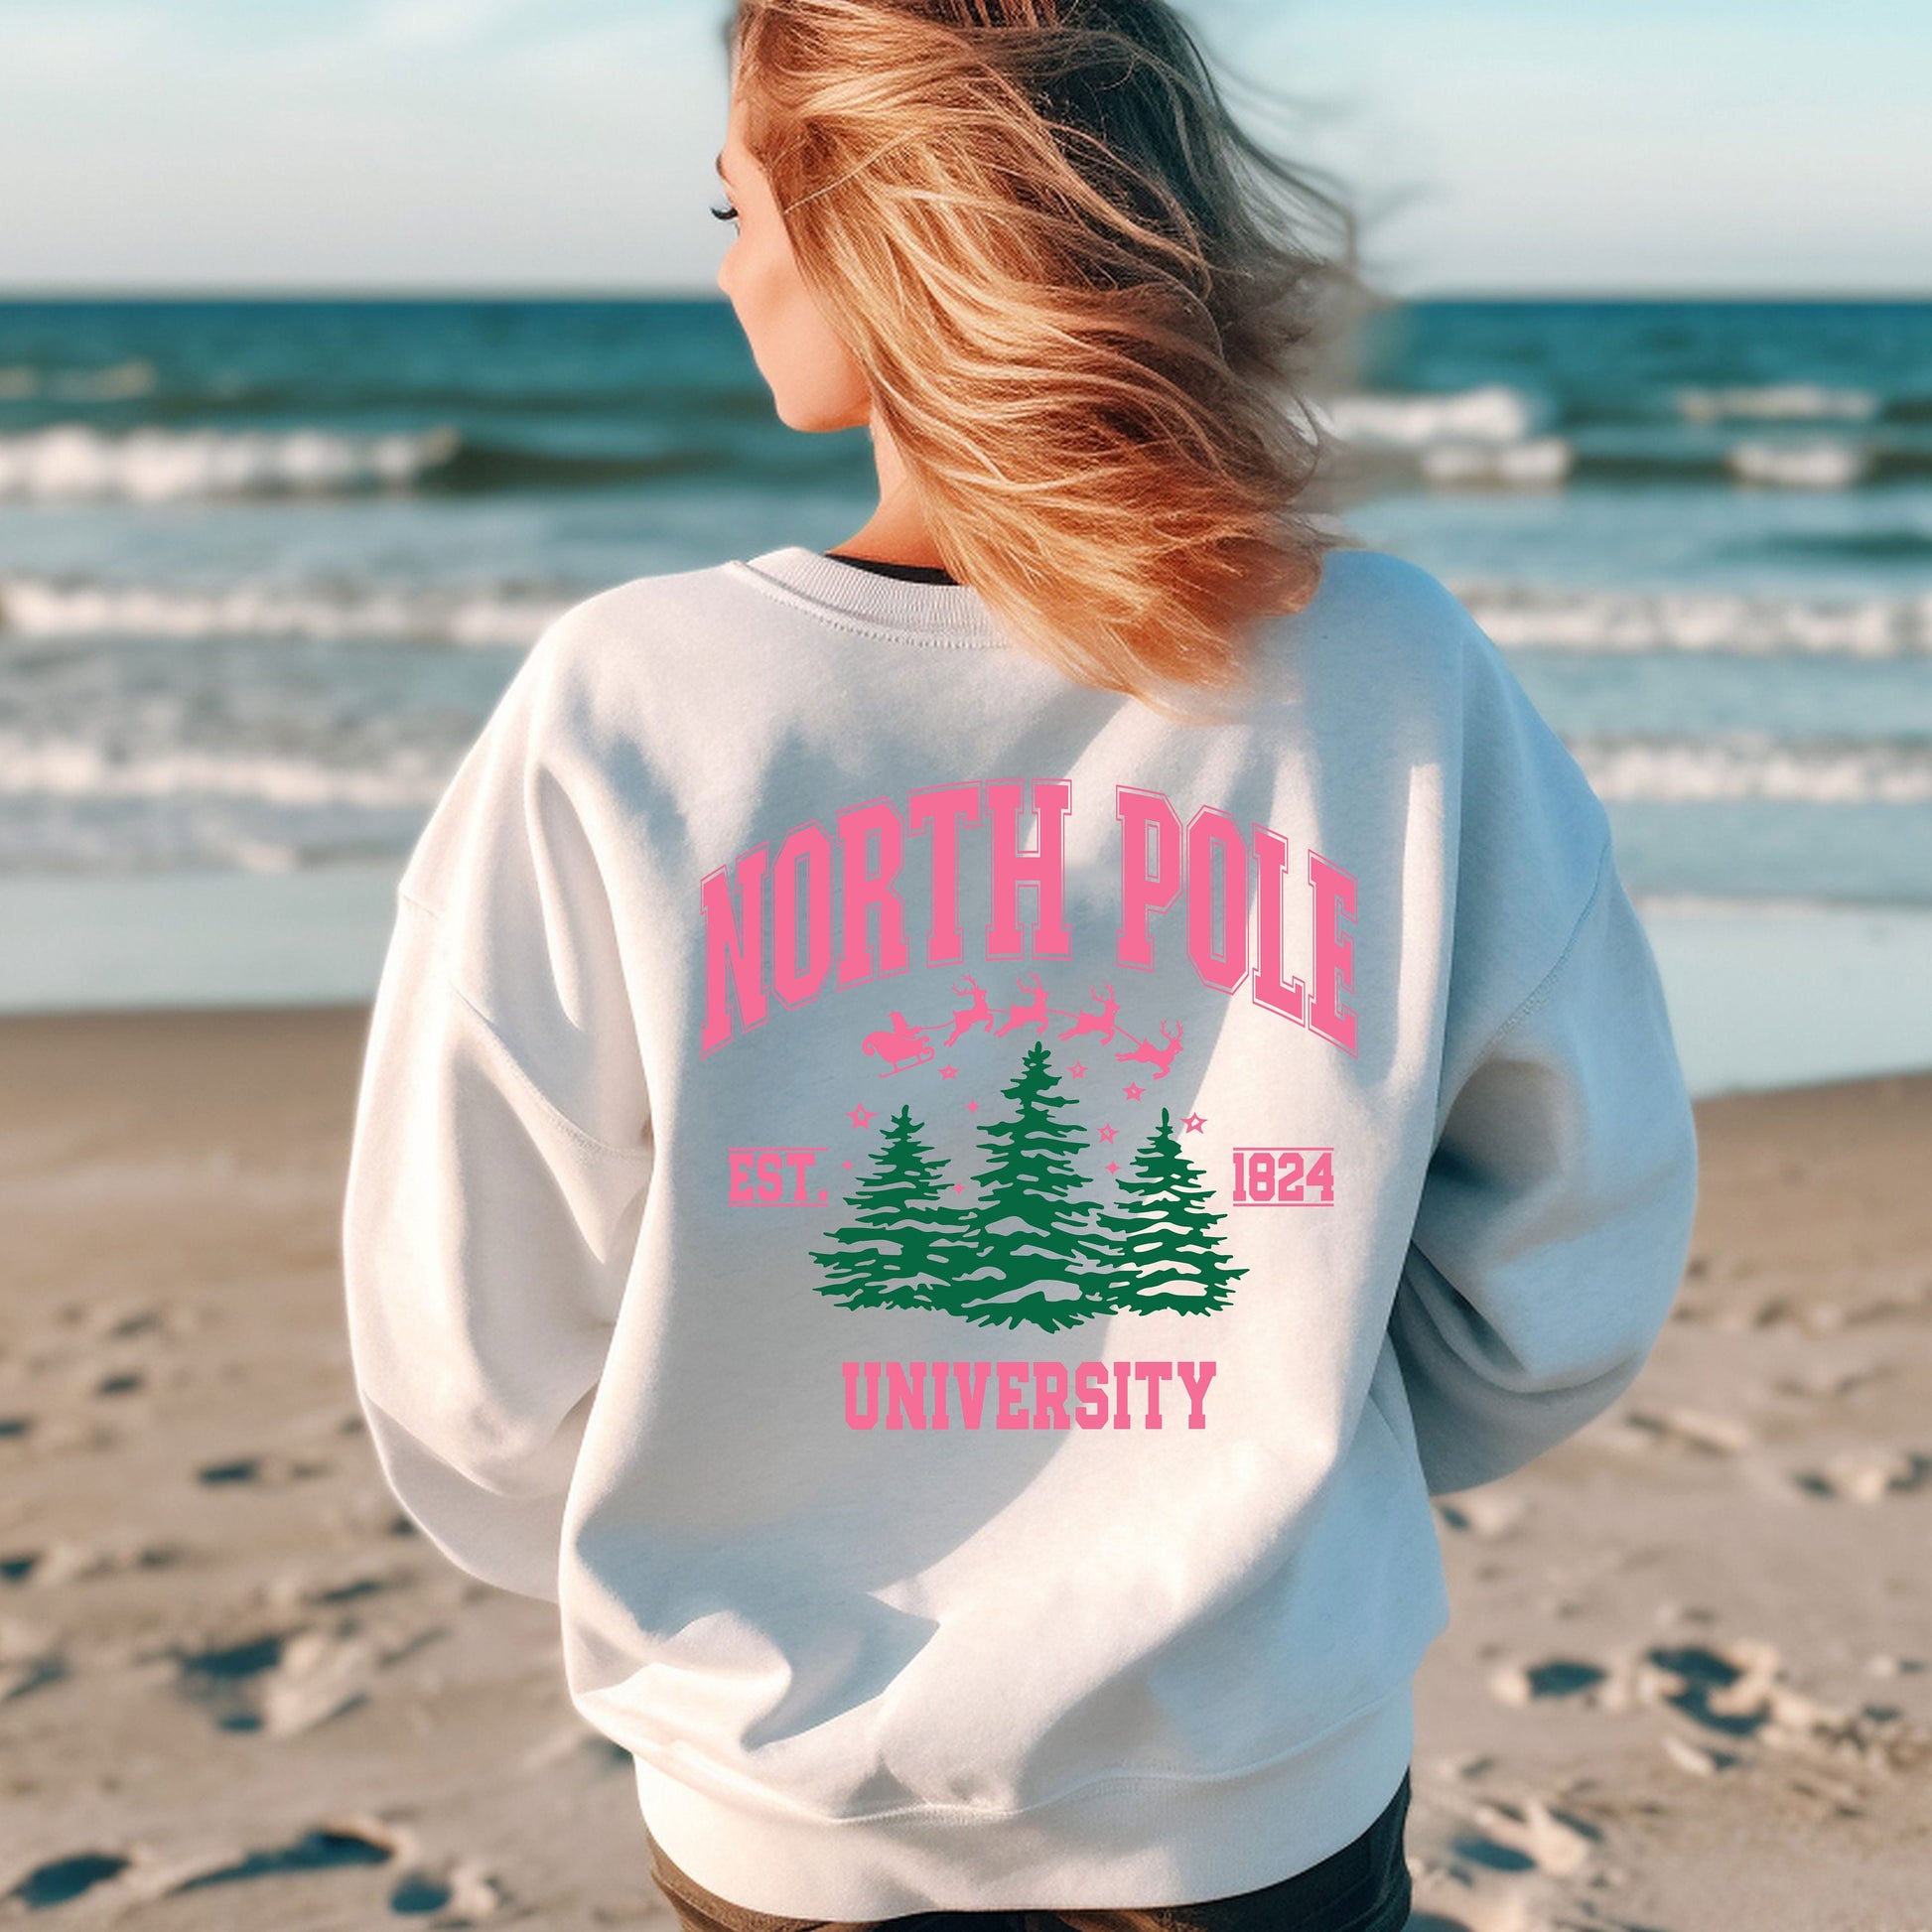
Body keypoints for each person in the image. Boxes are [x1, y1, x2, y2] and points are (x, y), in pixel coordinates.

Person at [340, 3, 1701, 1929]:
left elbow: (471, 1358)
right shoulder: (1389, 682)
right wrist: (1287, 1457)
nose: (726, 271)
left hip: (779, 1794)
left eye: (735, 209)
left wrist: (722, 1518)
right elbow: (1566, 1252)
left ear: (881, 230)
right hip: (1255, 1778)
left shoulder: (636, 705)